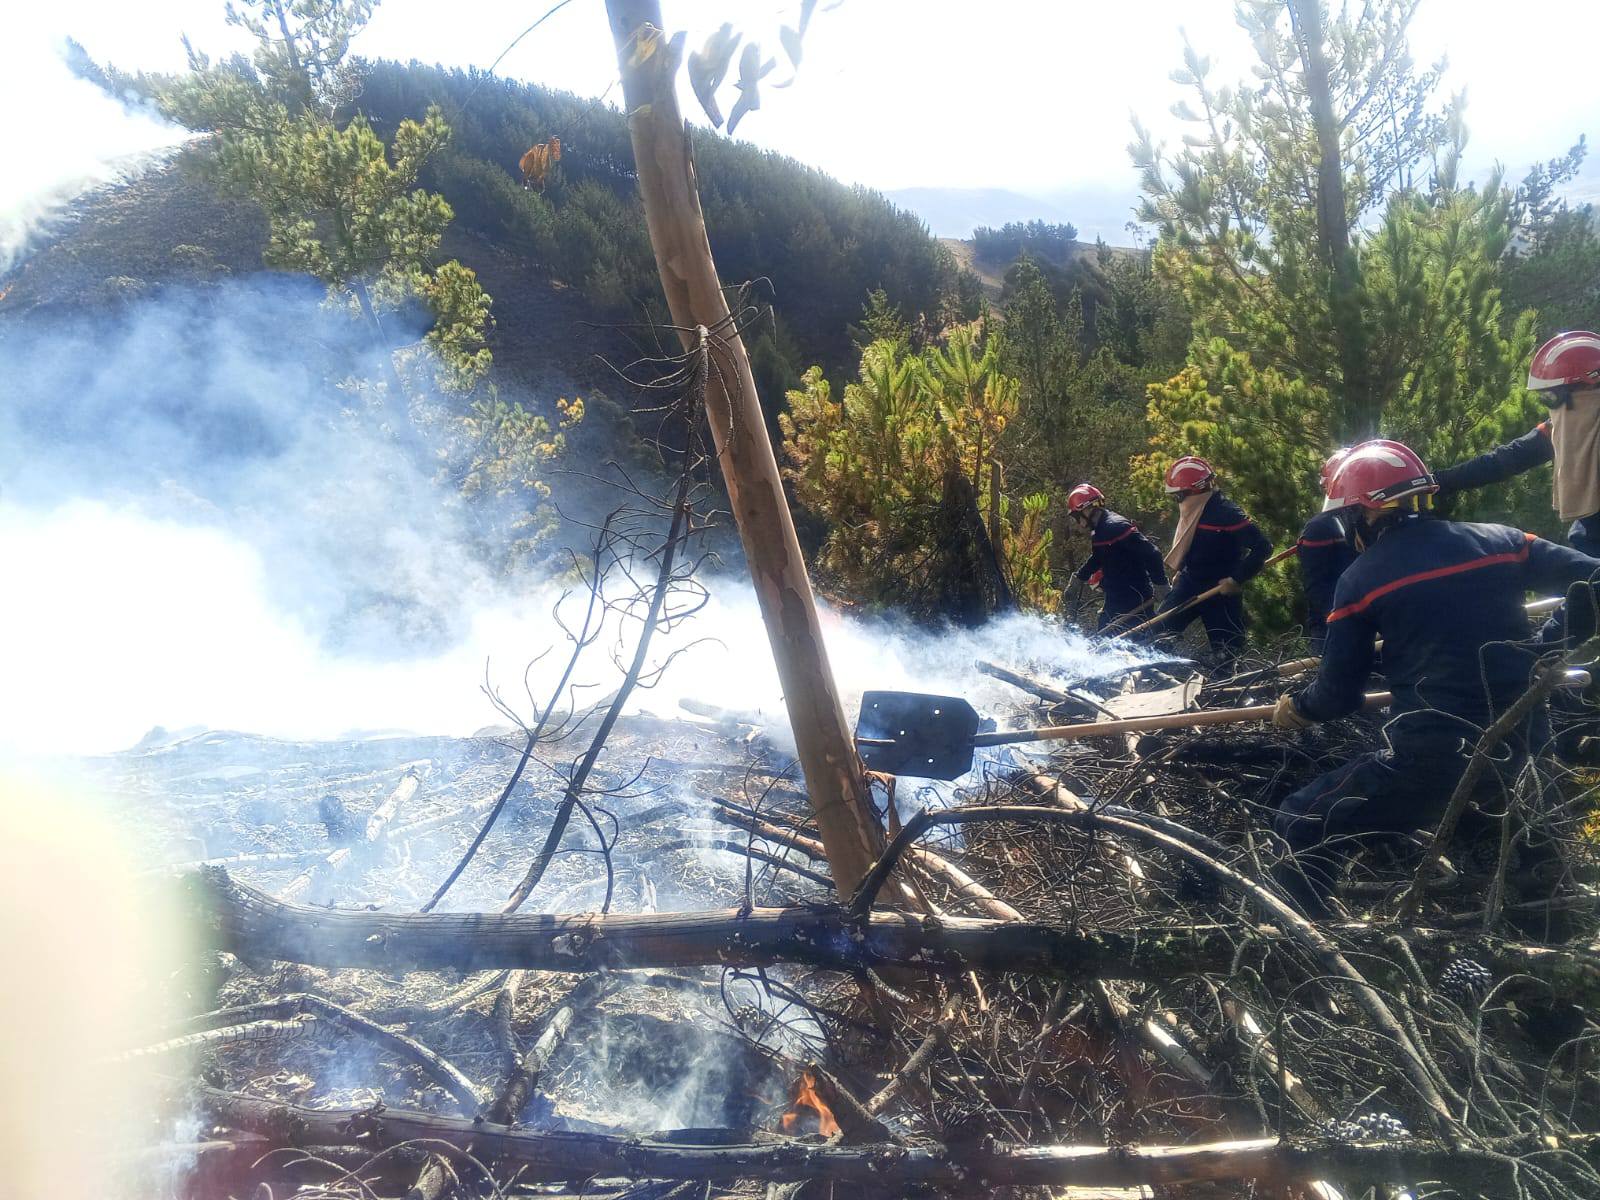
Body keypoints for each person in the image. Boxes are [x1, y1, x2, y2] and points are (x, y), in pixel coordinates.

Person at [1270, 439, 1599, 915]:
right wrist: (1545, 647)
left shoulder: (1360, 580)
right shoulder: (1504, 540)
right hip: (1526, 750)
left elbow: (1339, 696)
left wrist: (1298, 709)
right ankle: (1546, 936)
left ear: (1362, 515)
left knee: (1299, 820)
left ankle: (1313, 959)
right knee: (1528, 860)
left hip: (1433, 760)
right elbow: (1593, 581)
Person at [1433, 331, 1600, 556]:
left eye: (1559, 395)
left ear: (1591, 387)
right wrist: (1438, 482)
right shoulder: (1566, 427)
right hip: (1589, 550)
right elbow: (1508, 458)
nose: (1556, 408)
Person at [1150, 455, 1273, 666]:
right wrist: (1183, 569)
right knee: (1157, 634)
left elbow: (1263, 547)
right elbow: (1194, 544)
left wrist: (1236, 579)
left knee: (1226, 654)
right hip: (1190, 585)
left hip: (1221, 592)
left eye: (1180, 495)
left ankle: (1224, 694)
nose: (1178, 501)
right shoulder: (1194, 510)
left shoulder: (1228, 513)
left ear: (1195, 490)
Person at [1066, 483, 1168, 634]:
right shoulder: (1100, 530)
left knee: (1132, 645)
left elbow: (1152, 553)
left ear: (1087, 509)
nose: (1077, 522)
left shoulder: (1114, 527)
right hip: (1117, 598)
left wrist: (1161, 585)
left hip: (1134, 598)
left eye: (1076, 516)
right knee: (1105, 642)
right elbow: (1099, 557)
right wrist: (1079, 578)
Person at [1298, 449, 1360, 654]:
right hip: (1331, 626)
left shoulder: (1374, 520)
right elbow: (1317, 587)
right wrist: (1344, 621)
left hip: (1372, 618)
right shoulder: (1320, 528)